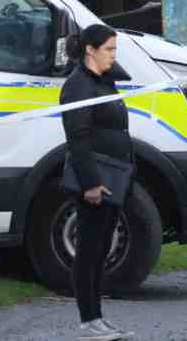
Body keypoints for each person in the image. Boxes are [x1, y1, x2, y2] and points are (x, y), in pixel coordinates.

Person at [59, 23, 135, 341]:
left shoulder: (103, 81)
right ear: (90, 50)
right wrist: (90, 183)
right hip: (95, 180)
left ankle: (98, 319)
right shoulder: (78, 86)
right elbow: (77, 139)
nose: (114, 56)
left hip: (115, 176)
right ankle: (88, 320)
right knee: (89, 250)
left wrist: (106, 64)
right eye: (109, 50)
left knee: (101, 248)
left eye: (116, 50)